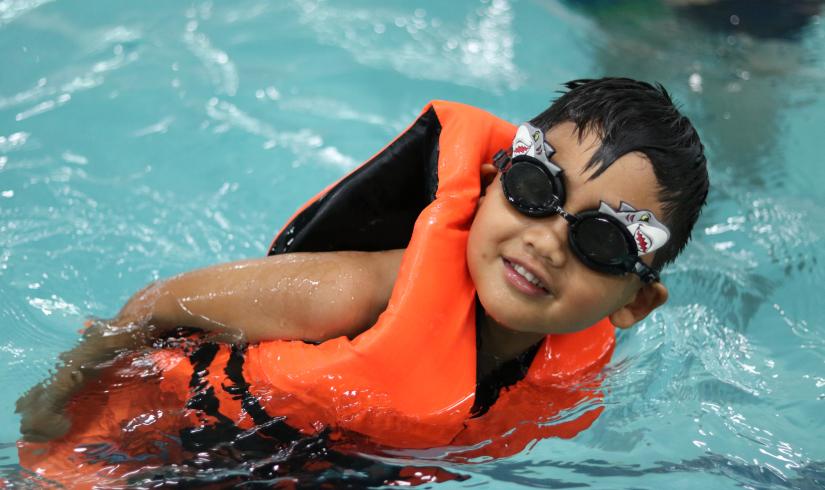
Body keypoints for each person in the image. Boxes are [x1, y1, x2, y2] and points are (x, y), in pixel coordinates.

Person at [17, 78, 708, 448]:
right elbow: (159, 303)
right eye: (535, 190)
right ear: (494, 178)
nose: (548, 240)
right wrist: (66, 384)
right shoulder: (361, 290)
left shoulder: (575, 372)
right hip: (148, 445)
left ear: (634, 300)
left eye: (603, 241)